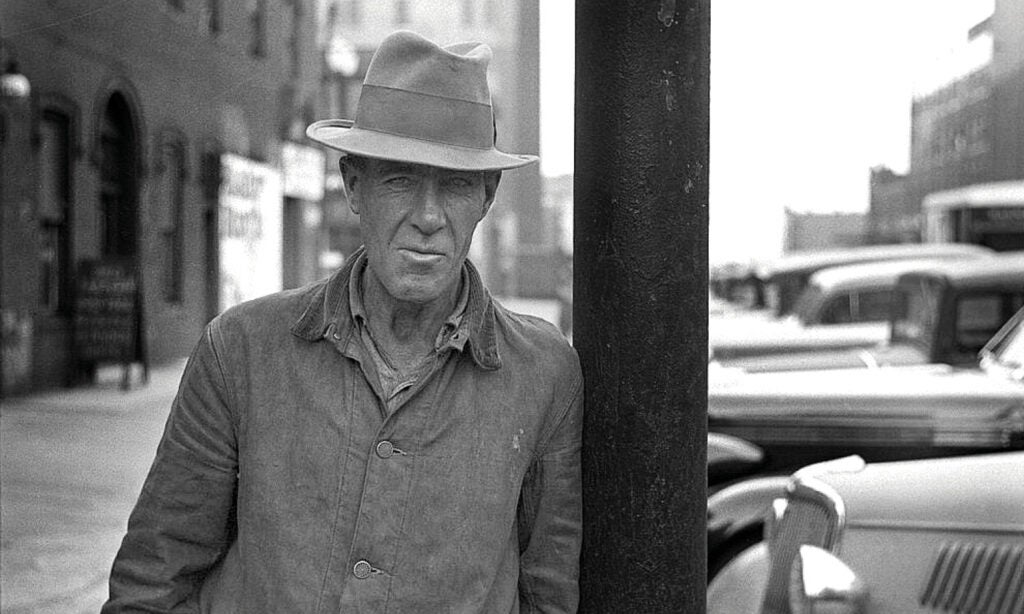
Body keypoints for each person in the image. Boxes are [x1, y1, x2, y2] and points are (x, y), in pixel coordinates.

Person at [102, 30, 583, 613]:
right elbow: (155, 578)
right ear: (355, 186)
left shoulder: (543, 374)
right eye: (400, 179)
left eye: (455, 185)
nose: (428, 218)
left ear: (486, 198)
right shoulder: (242, 351)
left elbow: (549, 595)